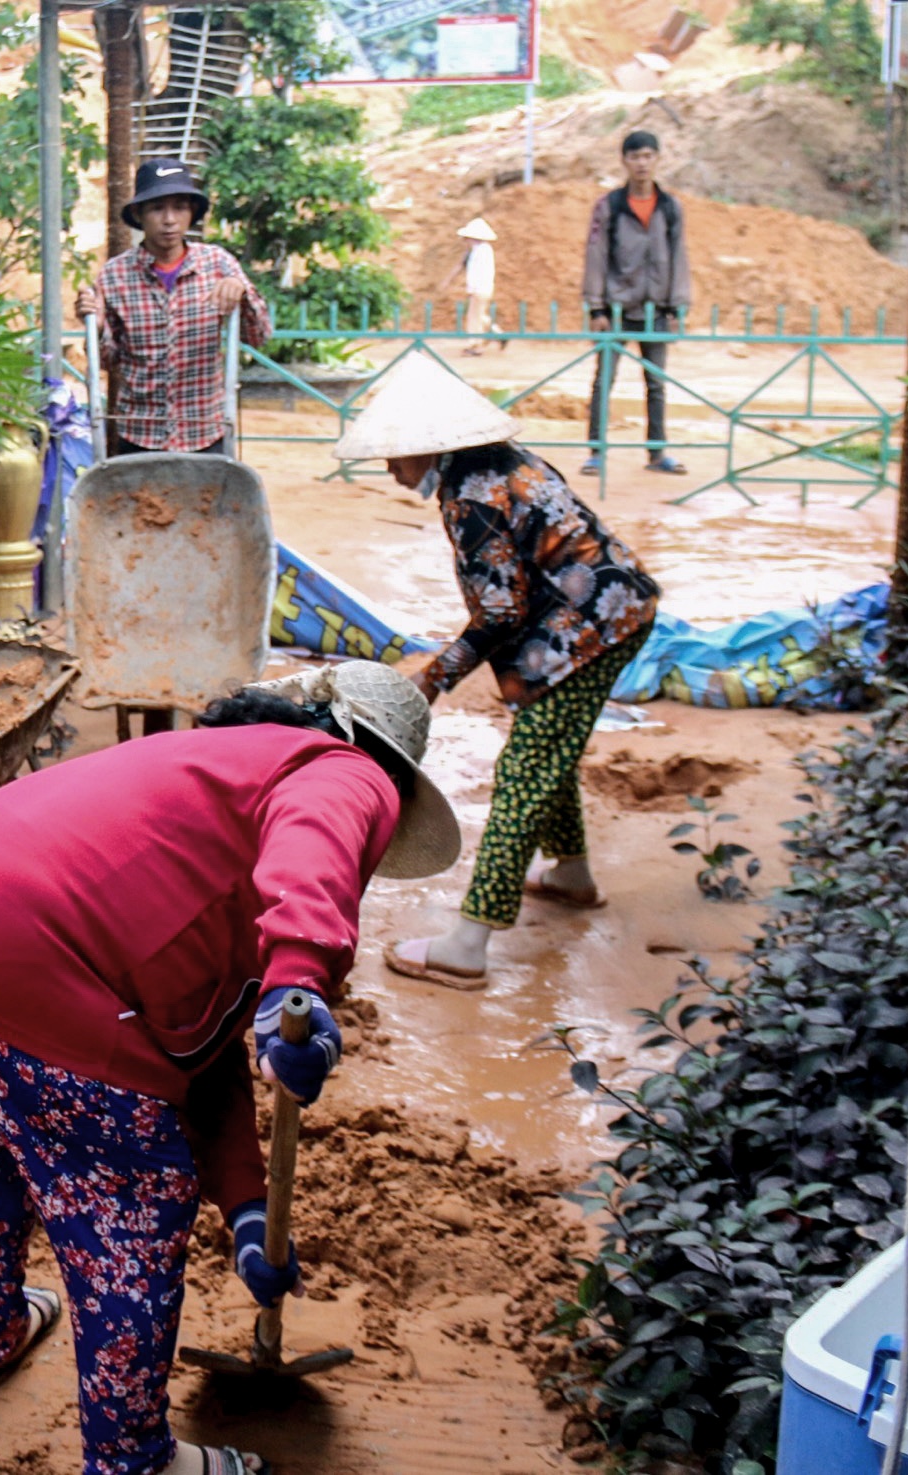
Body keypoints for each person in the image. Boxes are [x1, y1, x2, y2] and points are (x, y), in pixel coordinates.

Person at [0, 663, 460, 1475]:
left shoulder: (218, 788)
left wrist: (249, 1205)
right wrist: (300, 976)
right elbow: (317, 849)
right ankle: (133, 1458)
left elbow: (196, 1051)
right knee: (134, 1196)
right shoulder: (343, 769)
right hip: (33, 945)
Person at [333, 356, 662, 988]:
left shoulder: (471, 496)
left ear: (430, 448)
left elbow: (501, 612)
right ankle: (571, 875)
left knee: (524, 769)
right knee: (545, 747)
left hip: (591, 627)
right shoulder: (498, 461)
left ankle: (469, 942)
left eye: (396, 455)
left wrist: (435, 677)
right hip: (599, 609)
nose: (390, 467)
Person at [77, 158, 274, 455]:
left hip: (204, 432)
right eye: (157, 208)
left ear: (191, 213)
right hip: (139, 435)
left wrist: (243, 294)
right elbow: (107, 361)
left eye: (179, 207)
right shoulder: (114, 275)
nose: (169, 219)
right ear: (138, 214)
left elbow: (258, 337)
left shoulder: (218, 264)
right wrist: (98, 326)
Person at [581, 130, 692, 475]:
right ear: (624, 161)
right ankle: (596, 452)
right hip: (615, 308)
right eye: (635, 157)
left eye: (648, 156)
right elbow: (595, 254)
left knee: (656, 383)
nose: (641, 163)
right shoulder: (609, 206)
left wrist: (676, 307)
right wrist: (596, 307)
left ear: (657, 159)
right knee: (604, 380)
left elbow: (679, 256)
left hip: (655, 309)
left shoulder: (670, 207)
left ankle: (657, 454)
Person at [437, 217, 503, 356]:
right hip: (481, 288)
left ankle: (475, 345)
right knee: (480, 315)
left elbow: (479, 272)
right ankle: (498, 334)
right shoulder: (475, 251)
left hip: (480, 288)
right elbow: (461, 265)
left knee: (475, 318)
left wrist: (472, 288)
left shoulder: (482, 251)